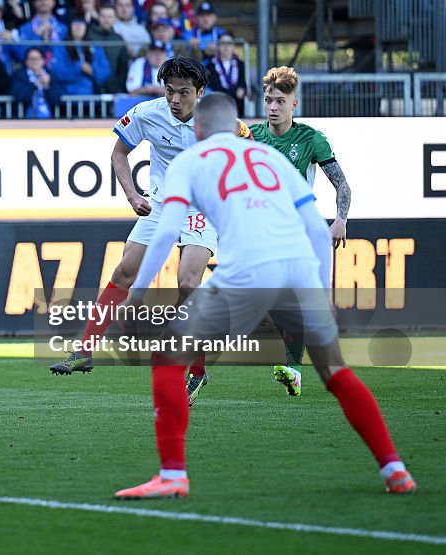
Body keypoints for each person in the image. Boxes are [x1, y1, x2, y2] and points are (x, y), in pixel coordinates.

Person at [112, 93, 416, 499]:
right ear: (234, 125)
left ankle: (172, 475)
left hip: (247, 275)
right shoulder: (270, 159)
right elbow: (315, 227)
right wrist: (323, 290)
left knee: (167, 357)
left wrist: (136, 296)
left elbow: (167, 231)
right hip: (299, 271)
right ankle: (395, 469)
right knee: (336, 372)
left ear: (198, 130)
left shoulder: (189, 162)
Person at [50, 57, 251, 408]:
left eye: (184, 93)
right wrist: (132, 194)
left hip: (202, 207)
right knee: (125, 270)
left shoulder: (219, 121)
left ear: (201, 92)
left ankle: (197, 371)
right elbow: (118, 153)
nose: (174, 99)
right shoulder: (148, 112)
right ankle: (83, 351)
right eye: (170, 91)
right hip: (160, 203)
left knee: (188, 281)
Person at [249, 66, 352, 395]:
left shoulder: (311, 139)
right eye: (269, 100)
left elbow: (342, 184)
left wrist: (340, 219)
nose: (273, 106)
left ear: (294, 105)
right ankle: (298, 362)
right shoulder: (250, 136)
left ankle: (296, 366)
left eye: (280, 100)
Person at [204, 34, 248, 114]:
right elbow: (214, 85)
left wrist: (242, 88)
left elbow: (244, 81)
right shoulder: (210, 66)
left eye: (229, 43)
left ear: (233, 47)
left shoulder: (241, 64)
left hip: (237, 103)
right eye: (223, 43)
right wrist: (233, 93)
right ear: (218, 47)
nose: (226, 47)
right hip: (218, 102)